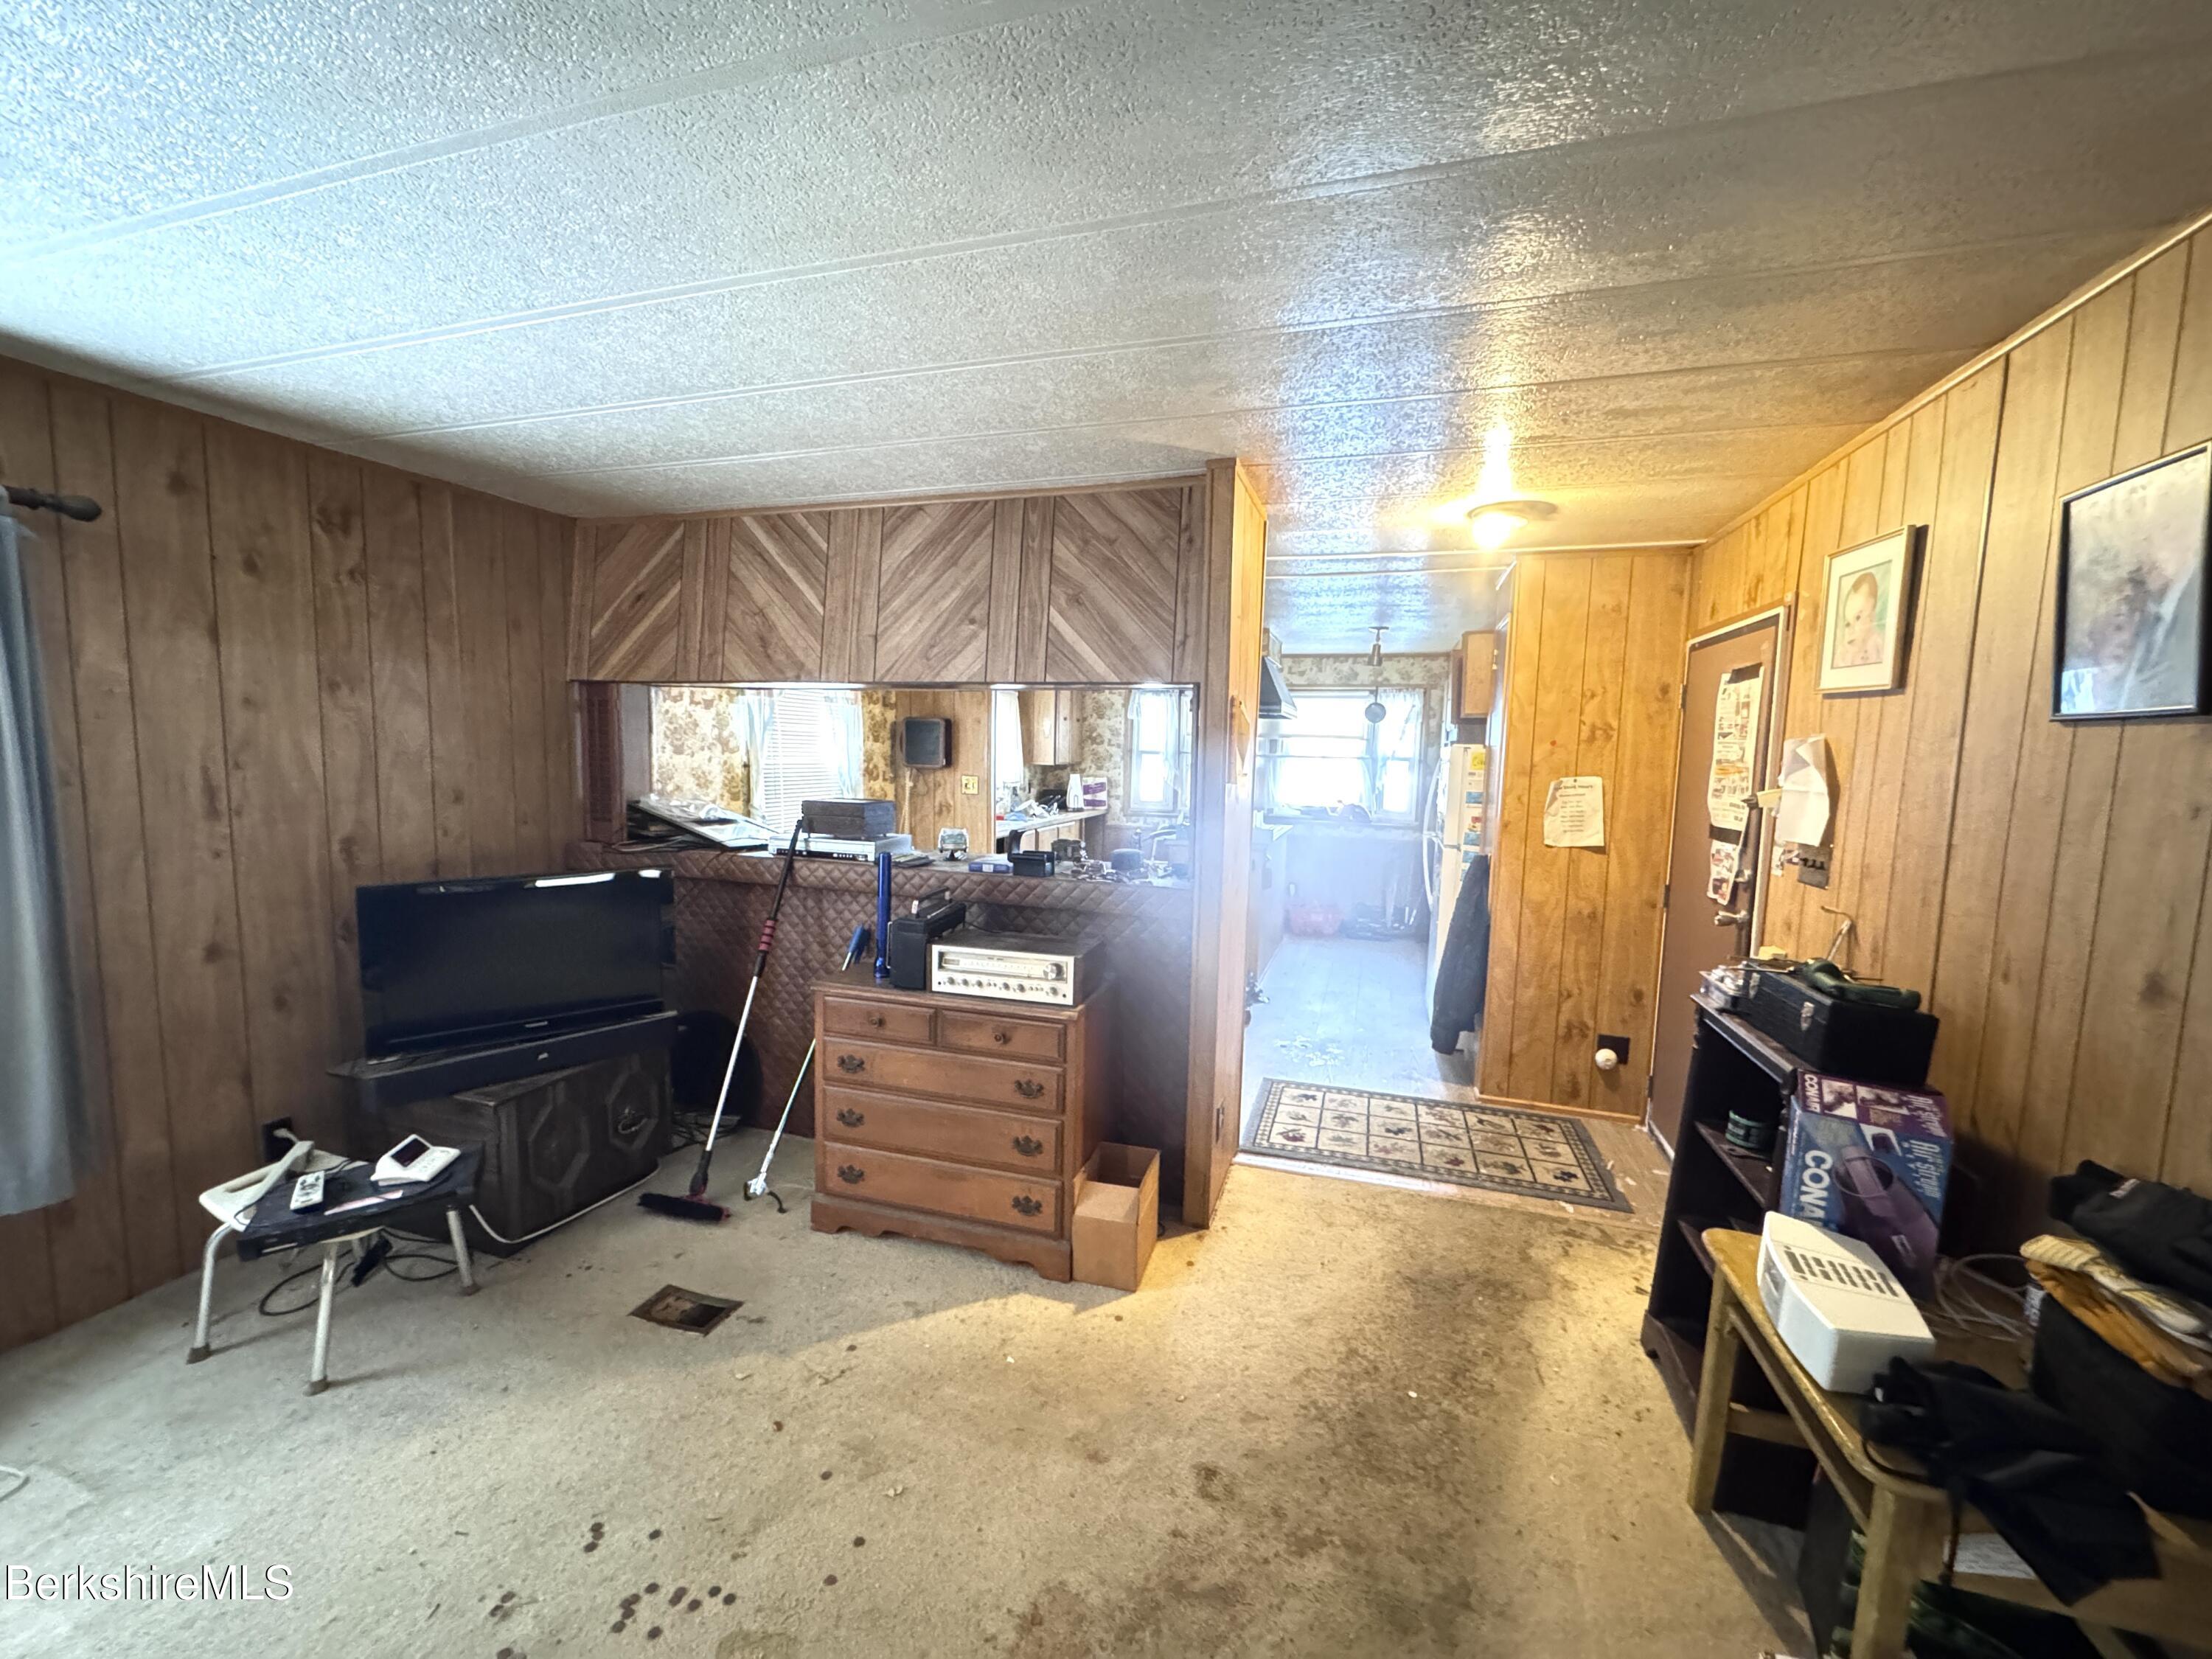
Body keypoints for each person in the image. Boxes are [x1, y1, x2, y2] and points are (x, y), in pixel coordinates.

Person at [1832, 568, 1884, 669]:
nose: (1851, 630)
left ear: (1872, 618)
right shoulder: (1841, 656)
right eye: (1847, 623)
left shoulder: (1880, 649)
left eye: (1858, 618)